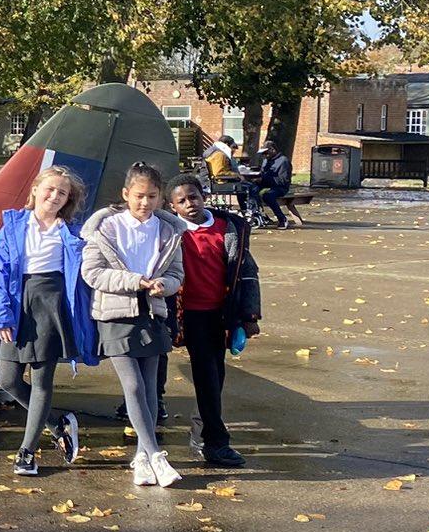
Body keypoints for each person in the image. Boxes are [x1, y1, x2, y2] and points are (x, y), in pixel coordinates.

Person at [81, 162, 187, 488]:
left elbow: (177, 274)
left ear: (160, 197)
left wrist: (164, 286)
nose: (145, 202)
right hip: (115, 314)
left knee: (150, 386)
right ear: (126, 194)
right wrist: (135, 281)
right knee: (133, 385)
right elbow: (92, 273)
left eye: (152, 196)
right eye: (139, 196)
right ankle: (156, 455)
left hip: (151, 313)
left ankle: (141, 457)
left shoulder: (169, 231)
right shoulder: (106, 228)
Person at [0, 168, 97, 477]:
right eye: (50, 189)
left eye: (62, 193)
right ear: (35, 189)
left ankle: (27, 451)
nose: (54, 196)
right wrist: (1, 314)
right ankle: (57, 422)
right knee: (7, 379)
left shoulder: (71, 233)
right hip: (17, 303)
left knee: (41, 381)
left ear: (68, 200)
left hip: (51, 303)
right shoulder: (13, 227)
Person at [167, 174, 261, 468]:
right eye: (181, 201)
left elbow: (247, 273)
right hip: (183, 314)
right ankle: (215, 442)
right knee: (203, 376)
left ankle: (204, 436)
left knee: (213, 376)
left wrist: (249, 315)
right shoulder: (170, 231)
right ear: (172, 207)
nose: (189, 204)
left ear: (204, 196)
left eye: (193, 197)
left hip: (217, 315)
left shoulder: (228, 228)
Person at [255, 142, 299, 229]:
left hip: (279, 188)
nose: (264, 155)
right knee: (249, 190)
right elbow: (263, 174)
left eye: (266, 153)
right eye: (263, 154)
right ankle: (258, 216)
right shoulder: (266, 161)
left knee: (268, 196)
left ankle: (282, 219)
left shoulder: (283, 161)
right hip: (265, 185)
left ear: (273, 150)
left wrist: (264, 179)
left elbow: (283, 181)